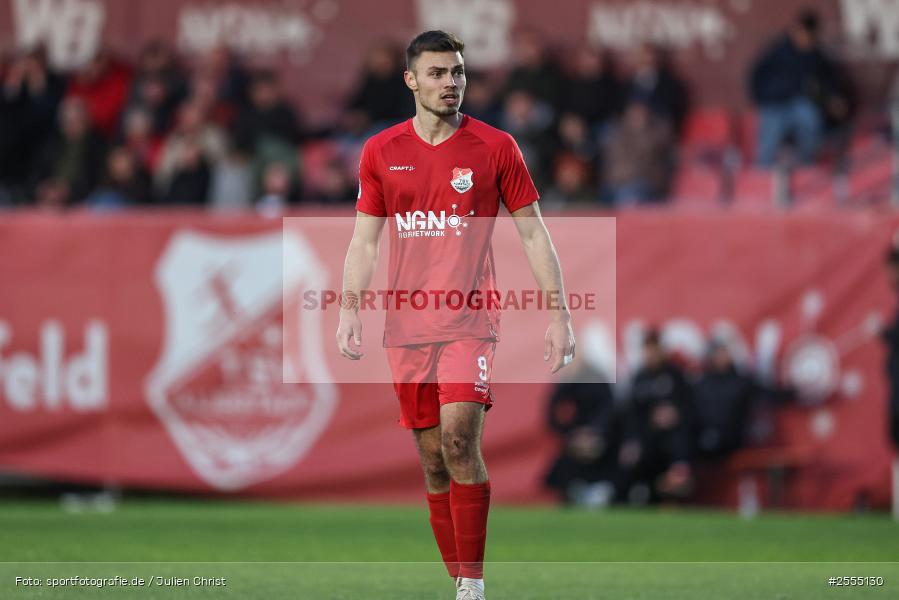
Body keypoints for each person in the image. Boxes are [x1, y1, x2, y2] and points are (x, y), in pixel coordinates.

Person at [336, 30, 576, 600]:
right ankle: (458, 579)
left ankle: (473, 583)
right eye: (439, 73)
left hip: (471, 321)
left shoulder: (496, 148)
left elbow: (534, 234)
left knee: (460, 440)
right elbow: (364, 242)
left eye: (458, 73)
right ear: (411, 80)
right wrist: (349, 310)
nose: (452, 83)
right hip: (407, 328)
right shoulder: (380, 152)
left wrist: (559, 315)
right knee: (433, 462)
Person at [748, 9, 849, 167]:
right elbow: (756, 78)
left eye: (809, 36)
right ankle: (761, 173)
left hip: (800, 104)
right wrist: (763, 100)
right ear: (796, 30)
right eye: (803, 34)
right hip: (775, 105)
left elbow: (829, 82)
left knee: (810, 119)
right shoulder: (777, 52)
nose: (805, 39)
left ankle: (806, 167)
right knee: (770, 133)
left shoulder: (816, 56)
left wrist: (834, 99)